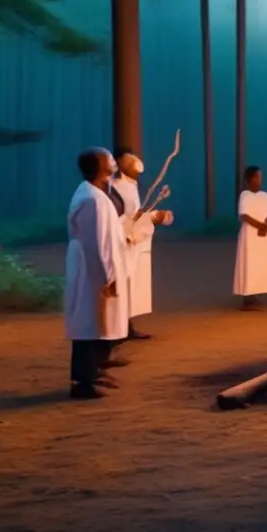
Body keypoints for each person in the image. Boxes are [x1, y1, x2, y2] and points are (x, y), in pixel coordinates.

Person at [64, 148, 129, 399]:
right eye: (109, 159)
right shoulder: (93, 199)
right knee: (87, 324)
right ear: (100, 166)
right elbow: (99, 243)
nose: (114, 161)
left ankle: (94, 372)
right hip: (92, 268)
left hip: (94, 266)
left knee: (97, 322)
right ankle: (82, 383)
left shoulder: (96, 193)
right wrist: (108, 277)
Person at [112, 148, 174, 339]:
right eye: (132, 161)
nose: (137, 164)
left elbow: (137, 214)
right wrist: (152, 217)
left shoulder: (133, 186)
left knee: (133, 285)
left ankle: (127, 326)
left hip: (137, 244)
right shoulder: (117, 186)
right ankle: (120, 328)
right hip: (125, 243)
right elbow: (125, 218)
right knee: (124, 283)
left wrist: (154, 216)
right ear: (121, 163)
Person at [232, 166, 267, 310]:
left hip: (263, 236)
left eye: (260, 177)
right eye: (257, 177)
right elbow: (244, 215)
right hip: (249, 236)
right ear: (249, 179)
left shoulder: (265, 196)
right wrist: (260, 226)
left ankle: (254, 295)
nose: (259, 180)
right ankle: (247, 298)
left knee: (259, 264)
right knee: (249, 264)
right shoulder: (244, 195)